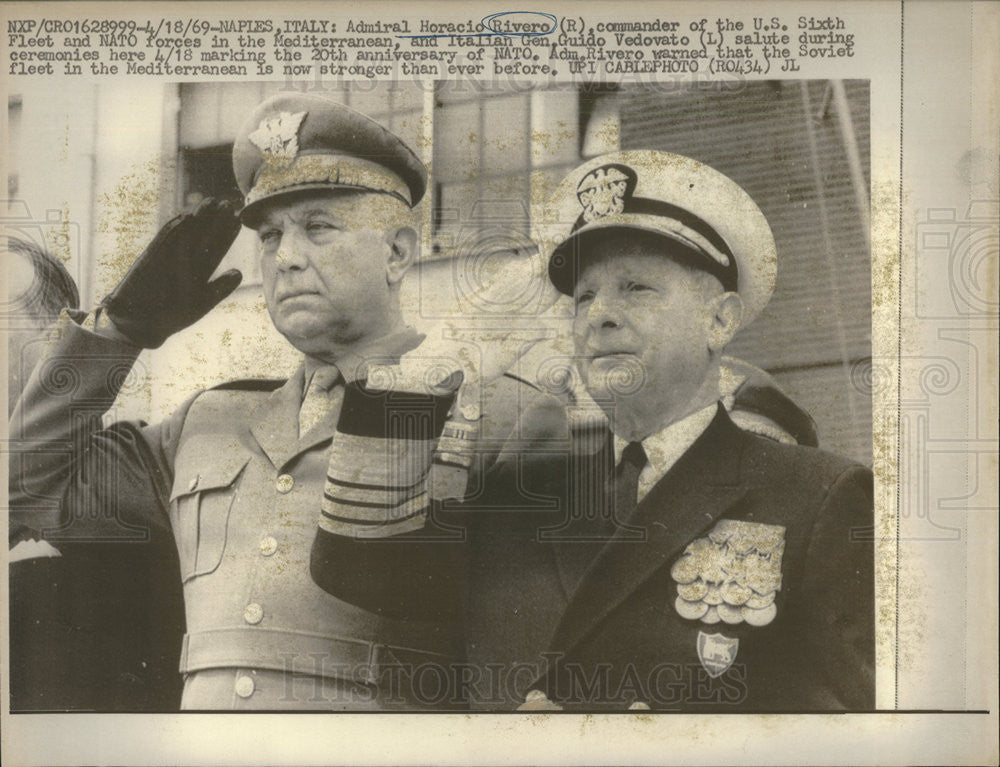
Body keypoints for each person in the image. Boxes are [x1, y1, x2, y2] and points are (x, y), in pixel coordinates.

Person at [8, 93, 553, 710]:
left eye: (319, 227)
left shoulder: (500, 414)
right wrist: (118, 333)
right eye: (270, 236)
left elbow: (517, 674)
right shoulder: (206, 421)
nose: (286, 257)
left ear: (398, 253)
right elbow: (27, 486)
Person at [469, 150, 874, 711]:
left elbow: (865, 725)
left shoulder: (820, 496)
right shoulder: (523, 491)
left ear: (720, 320)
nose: (598, 315)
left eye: (635, 287)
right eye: (585, 295)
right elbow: (366, 578)